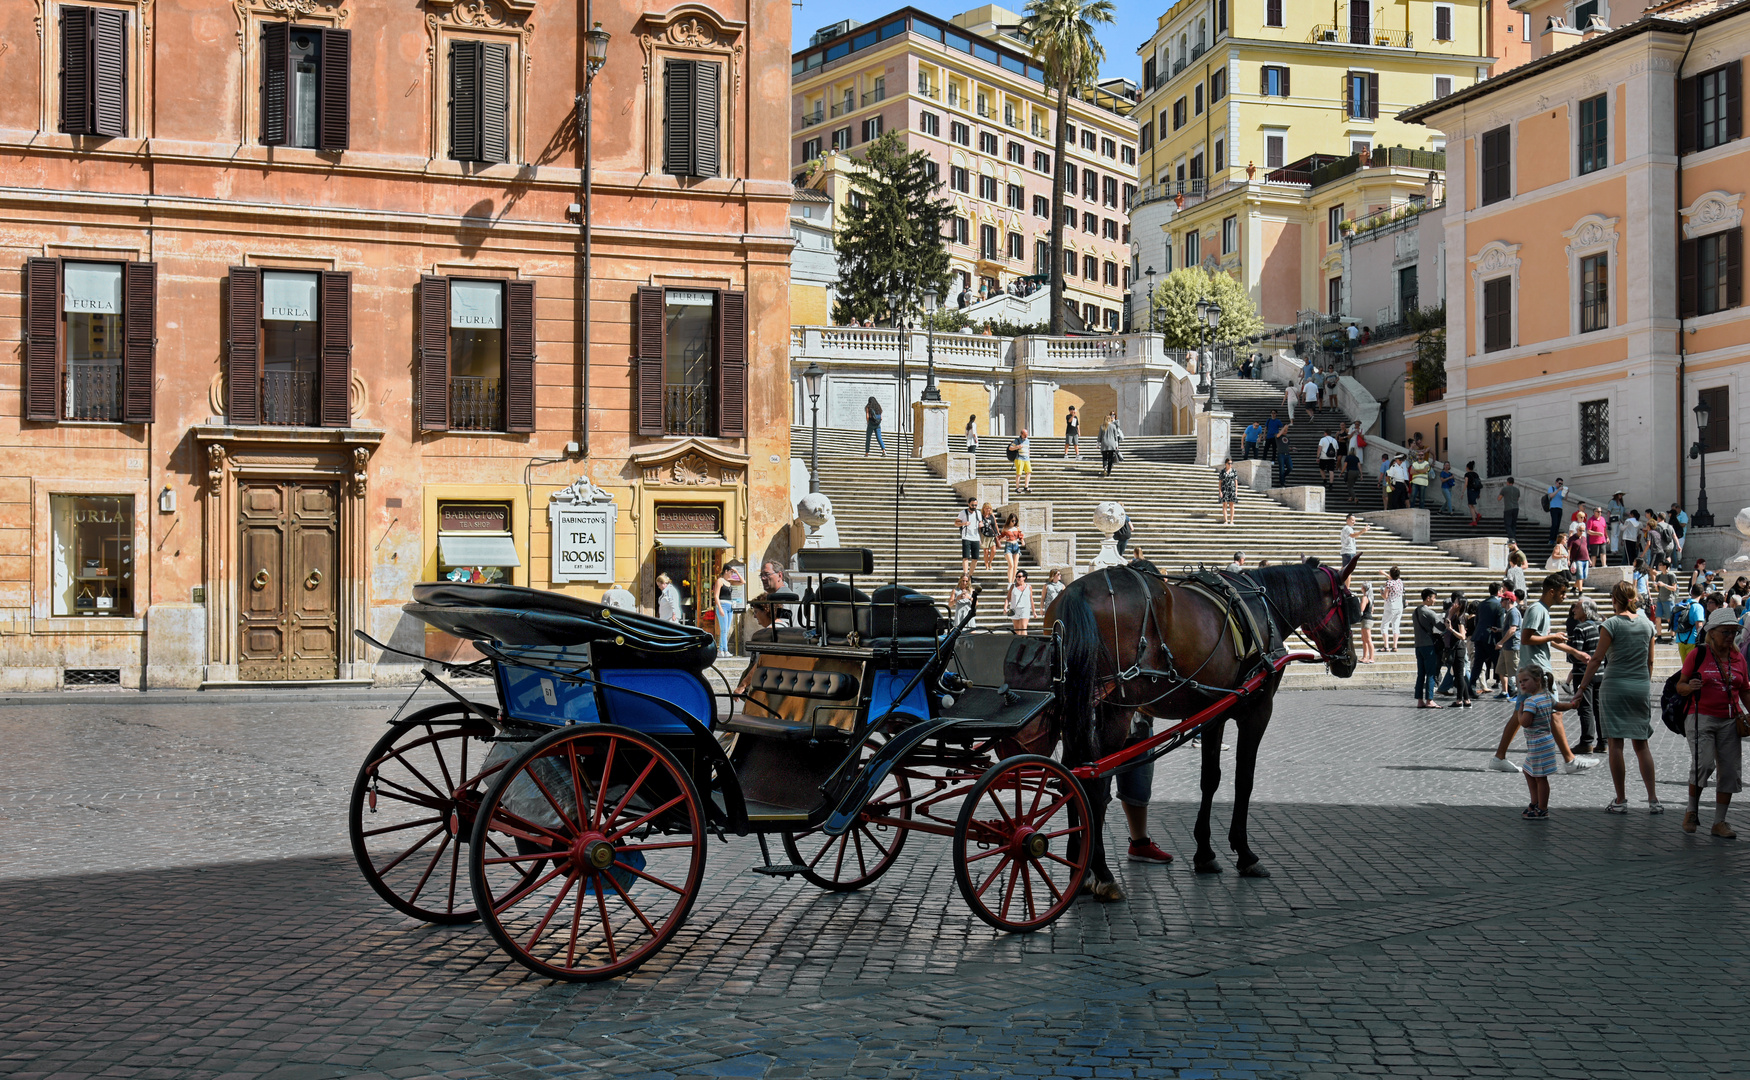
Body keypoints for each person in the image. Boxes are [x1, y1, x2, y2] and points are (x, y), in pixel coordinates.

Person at [1565, 579, 1661, 815]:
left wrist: (1582, 687)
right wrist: (1644, 683)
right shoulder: (1648, 624)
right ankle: (1653, 799)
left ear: (1615, 600)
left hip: (1615, 685)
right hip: (1640, 686)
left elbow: (1596, 659)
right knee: (1642, 745)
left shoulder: (1611, 624)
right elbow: (1650, 661)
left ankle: (1621, 799)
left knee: (1615, 744)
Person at [1489, 574, 1593, 774]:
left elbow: (1544, 638)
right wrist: (1553, 636)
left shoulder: (1541, 610)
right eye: (1562, 593)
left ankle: (1499, 757)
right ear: (1551, 591)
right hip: (1537, 672)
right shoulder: (1538, 610)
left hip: (1533, 670)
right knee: (1554, 711)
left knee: (1520, 714)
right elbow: (1527, 638)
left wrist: (1574, 651)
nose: (1564, 597)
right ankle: (1570, 760)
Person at [1673, 607, 1747, 837]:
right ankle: (1691, 811)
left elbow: (1745, 689)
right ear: (1712, 632)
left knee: (1730, 771)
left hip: (1730, 719)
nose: (1730, 637)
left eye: (1734, 632)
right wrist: (1689, 687)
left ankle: (1719, 822)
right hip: (1700, 716)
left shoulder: (1738, 657)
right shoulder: (1699, 654)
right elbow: (1680, 686)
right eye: (1725, 632)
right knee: (1704, 764)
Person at [1511, 667, 1576, 820]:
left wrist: (1520, 713)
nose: (1522, 684)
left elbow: (1525, 723)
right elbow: (1559, 706)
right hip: (1543, 742)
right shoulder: (1547, 696)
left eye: (1525, 680)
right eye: (1520, 682)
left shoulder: (1531, 702)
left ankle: (1542, 808)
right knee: (1528, 771)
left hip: (1538, 743)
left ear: (1538, 680)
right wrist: (1572, 705)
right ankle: (1535, 802)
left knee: (1540, 777)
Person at [1564, 596, 1603, 754]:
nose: (1573, 610)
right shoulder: (1601, 626)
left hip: (1583, 673)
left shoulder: (1580, 629)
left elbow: (1576, 655)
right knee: (1599, 707)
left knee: (1585, 708)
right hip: (1601, 672)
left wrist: (1569, 649)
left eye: (1577, 607)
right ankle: (1603, 741)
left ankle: (1586, 742)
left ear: (1585, 611)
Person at [1413, 588, 1444, 709]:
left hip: (1418, 646)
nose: (1435, 600)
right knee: (1431, 673)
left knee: (1420, 674)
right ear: (1428, 598)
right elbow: (1441, 627)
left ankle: (1420, 700)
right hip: (1428, 646)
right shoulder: (1429, 612)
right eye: (1434, 598)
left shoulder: (1415, 611)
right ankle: (1430, 700)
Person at [1442, 591, 1474, 708]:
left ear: (1459, 605)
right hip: (1454, 647)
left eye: (1455, 602)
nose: (1453, 603)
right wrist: (1450, 613)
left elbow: (1462, 636)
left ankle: (1459, 700)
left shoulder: (1460, 618)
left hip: (1459, 648)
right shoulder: (1455, 615)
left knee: (1459, 675)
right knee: (1458, 674)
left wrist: (1451, 630)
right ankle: (1467, 700)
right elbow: (1447, 622)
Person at [749, 561, 797, 634]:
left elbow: (781, 624)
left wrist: (763, 635)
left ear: (780, 575)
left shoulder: (782, 597)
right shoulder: (783, 595)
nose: (763, 578)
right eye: (761, 575)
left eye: (767, 574)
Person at [1494, 590, 1522, 699]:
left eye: (1502, 599)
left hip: (1512, 646)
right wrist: (1499, 630)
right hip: (1507, 647)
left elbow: (1513, 629)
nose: (1500, 601)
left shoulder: (1513, 612)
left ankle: (1519, 694)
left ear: (1508, 601)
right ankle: (1505, 692)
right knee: (1501, 670)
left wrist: (1501, 642)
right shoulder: (1509, 612)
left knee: (1515, 672)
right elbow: (1508, 629)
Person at [1675, 584, 1707, 661]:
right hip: (1692, 641)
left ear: (1691, 592)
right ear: (1703, 593)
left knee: (1685, 667)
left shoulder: (1683, 604)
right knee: (1693, 667)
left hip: (1680, 640)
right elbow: (1699, 625)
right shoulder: (1698, 607)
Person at [713, 566, 739, 656]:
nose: (732, 574)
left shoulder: (729, 582)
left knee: (726, 630)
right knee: (723, 630)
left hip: (730, 606)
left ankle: (720, 650)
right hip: (722, 604)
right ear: (726, 571)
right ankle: (725, 650)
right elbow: (716, 595)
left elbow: (743, 582)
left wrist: (736, 571)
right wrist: (719, 608)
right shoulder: (720, 581)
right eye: (731, 572)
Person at [1380, 566, 1405, 653]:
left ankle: (1386, 646)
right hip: (1399, 606)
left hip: (1390, 606)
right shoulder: (1400, 582)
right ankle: (1395, 646)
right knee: (1396, 625)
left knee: (1384, 625)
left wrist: (1381, 592)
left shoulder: (1388, 583)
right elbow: (1393, 578)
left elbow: (1385, 596)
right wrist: (1385, 574)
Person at [956, 495, 983, 578]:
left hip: (976, 537)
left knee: (975, 558)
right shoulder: (963, 513)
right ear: (968, 504)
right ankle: (965, 575)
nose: (974, 507)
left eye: (975, 505)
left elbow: (980, 522)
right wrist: (964, 523)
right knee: (966, 557)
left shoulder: (978, 513)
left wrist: (981, 525)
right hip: (966, 537)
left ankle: (970, 575)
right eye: (972, 505)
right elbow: (956, 523)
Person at [998, 513, 1025, 585]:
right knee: (1011, 565)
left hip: (1016, 545)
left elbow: (1020, 536)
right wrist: (1003, 538)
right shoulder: (1005, 528)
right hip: (1008, 546)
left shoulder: (1017, 528)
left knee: (1015, 565)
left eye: (1015, 521)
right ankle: (1009, 582)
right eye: (1012, 521)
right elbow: (999, 538)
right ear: (1009, 520)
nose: (1014, 522)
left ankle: (1013, 582)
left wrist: (1022, 541)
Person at [1098, 412, 1124, 477]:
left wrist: (1098, 444)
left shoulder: (1102, 426)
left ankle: (1105, 467)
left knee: (1104, 457)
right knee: (1110, 458)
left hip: (1104, 444)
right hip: (1111, 444)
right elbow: (1115, 436)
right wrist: (1116, 445)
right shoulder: (1113, 426)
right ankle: (1109, 471)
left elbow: (1099, 436)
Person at [1358, 580, 1377, 664]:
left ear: (1364, 588)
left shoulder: (1365, 598)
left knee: (1368, 639)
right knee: (1364, 639)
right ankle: (1365, 657)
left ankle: (1371, 657)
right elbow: (1372, 609)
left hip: (1366, 619)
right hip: (1368, 618)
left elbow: (1361, 609)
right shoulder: (1371, 598)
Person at [1545, 477, 1568, 546]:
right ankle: (1551, 539)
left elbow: (1565, 498)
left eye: (1562, 484)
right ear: (1556, 482)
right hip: (1553, 508)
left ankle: (1555, 539)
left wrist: (1566, 493)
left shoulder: (1561, 490)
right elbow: (1551, 496)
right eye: (1559, 483)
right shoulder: (1551, 488)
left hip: (1559, 508)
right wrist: (1558, 490)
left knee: (1557, 524)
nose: (1560, 485)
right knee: (1554, 524)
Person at [1499, 476, 1522, 544]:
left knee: (1508, 524)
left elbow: (1499, 498)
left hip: (1508, 508)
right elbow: (1517, 499)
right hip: (1516, 508)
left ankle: (1512, 538)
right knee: (1513, 524)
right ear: (1513, 482)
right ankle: (1513, 536)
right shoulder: (1517, 490)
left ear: (1508, 482)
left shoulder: (1504, 489)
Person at [1010, 429, 1033, 493]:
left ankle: (1026, 486)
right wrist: (1017, 447)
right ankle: (1017, 488)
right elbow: (1010, 448)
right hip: (1019, 458)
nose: (1026, 436)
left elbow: (1028, 448)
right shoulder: (1017, 440)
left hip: (1026, 458)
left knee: (1029, 472)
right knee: (1019, 473)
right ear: (1021, 434)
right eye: (1025, 435)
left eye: (1027, 435)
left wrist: (1028, 453)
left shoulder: (1028, 441)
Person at [1218, 458, 1239, 525]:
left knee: (1231, 505)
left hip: (1231, 489)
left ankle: (1231, 521)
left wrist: (1236, 491)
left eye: (1231, 463)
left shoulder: (1234, 471)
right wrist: (1220, 491)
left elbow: (1236, 482)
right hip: (1224, 489)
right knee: (1224, 505)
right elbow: (1220, 482)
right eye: (1229, 463)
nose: (1230, 465)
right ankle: (1226, 520)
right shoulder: (1222, 471)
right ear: (1226, 464)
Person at [979, 501, 999, 572]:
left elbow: (995, 524)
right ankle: (987, 566)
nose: (988, 510)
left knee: (993, 550)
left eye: (989, 508)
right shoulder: (980, 516)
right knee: (986, 552)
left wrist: (998, 533)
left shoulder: (992, 515)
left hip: (992, 535)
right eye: (987, 508)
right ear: (983, 509)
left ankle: (990, 563)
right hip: (984, 535)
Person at [1465, 461, 1484, 527]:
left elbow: (1466, 483)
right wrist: (1479, 493)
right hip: (1477, 491)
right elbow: (1478, 483)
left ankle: (1474, 520)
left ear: (1467, 468)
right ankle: (1477, 514)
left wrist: (1462, 492)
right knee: (1471, 505)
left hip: (1471, 490)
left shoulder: (1467, 474)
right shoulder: (1476, 474)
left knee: (1470, 505)